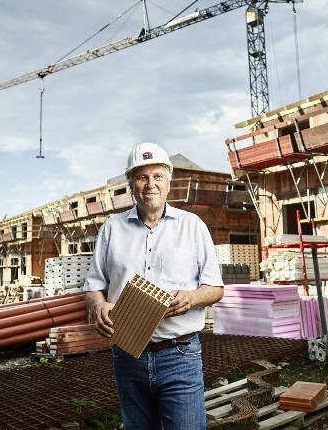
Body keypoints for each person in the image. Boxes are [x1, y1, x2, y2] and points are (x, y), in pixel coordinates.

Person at [83, 142, 224, 430]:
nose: (151, 184)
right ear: (131, 184)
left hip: (180, 355)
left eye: (158, 176)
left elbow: (216, 288)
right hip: (128, 356)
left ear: (168, 182)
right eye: (142, 177)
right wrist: (98, 305)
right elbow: (94, 286)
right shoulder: (112, 228)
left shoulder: (192, 226)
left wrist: (193, 298)